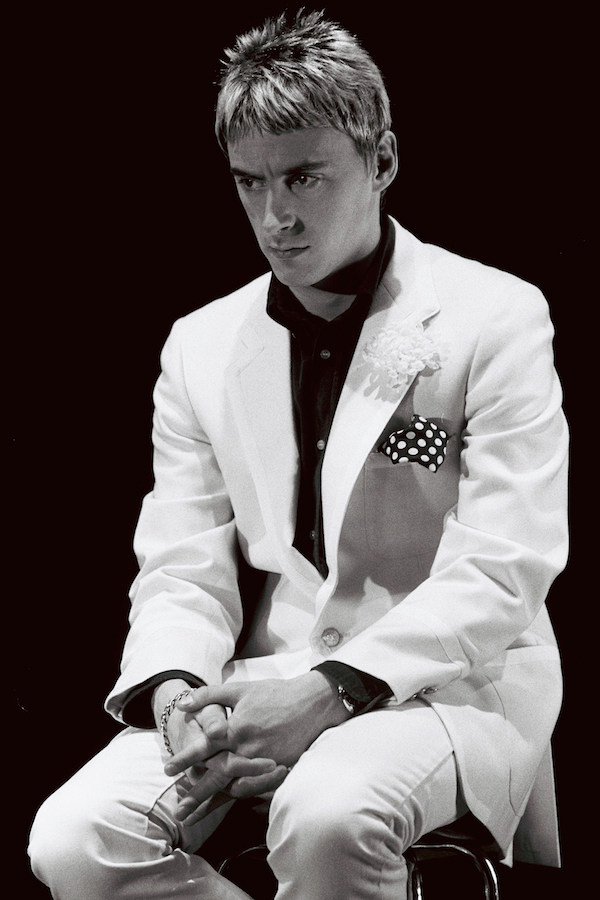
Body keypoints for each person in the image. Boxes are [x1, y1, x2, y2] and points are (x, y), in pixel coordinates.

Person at [28, 10, 568, 899]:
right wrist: (174, 702)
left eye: (305, 178)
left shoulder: (496, 317)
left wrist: (330, 693)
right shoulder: (198, 344)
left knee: (326, 816)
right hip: (264, 679)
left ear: (383, 160)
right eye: (250, 184)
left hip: (451, 682)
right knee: (76, 840)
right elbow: (180, 569)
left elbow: (508, 568)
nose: (275, 217)